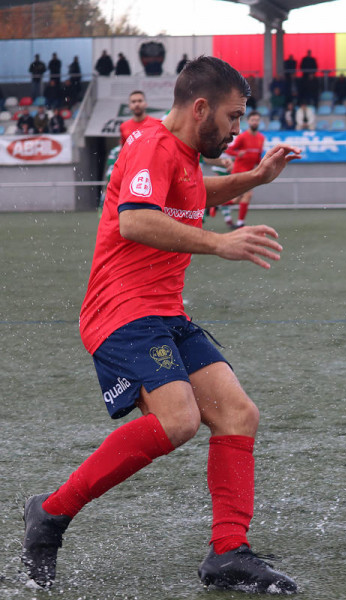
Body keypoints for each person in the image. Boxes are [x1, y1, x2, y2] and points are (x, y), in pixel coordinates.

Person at [20, 55, 301, 594]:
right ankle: (49, 516)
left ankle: (228, 554)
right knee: (179, 420)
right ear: (201, 109)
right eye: (233, 116)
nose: (238, 128)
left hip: (164, 313)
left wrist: (255, 177)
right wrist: (220, 242)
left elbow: (192, 197)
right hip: (121, 312)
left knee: (238, 414)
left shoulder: (184, 153)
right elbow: (135, 217)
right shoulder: (151, 143)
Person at [223, 110, 266, 228]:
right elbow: (229, 149)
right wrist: (238, 154)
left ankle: (216, 205)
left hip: (249, 171)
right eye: (253, 120)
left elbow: (257, 156)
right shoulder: (242, 137)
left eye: (257, 120)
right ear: (248, 121)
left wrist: (262, 165)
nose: (255, 122)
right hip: (238, 170)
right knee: (248, 194)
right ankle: (241, 223)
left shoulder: (261, 138)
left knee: (237, 200)